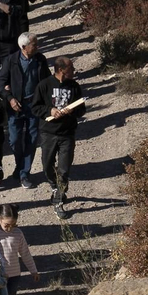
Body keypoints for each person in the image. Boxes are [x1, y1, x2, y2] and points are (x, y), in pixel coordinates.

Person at [34, 56, 87, 219]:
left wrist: (73, 112)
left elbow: (82, 109)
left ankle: (58, 201)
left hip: (67, 134)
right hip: (48, 133)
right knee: (47, 165)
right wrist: (50, 111)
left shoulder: (74, 86)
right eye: (71, 68)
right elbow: (35, 107)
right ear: (61, 70)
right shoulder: (44, 85)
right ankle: (54, 187)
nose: (74, 71)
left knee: (64, 169)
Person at [3, 32, 50, 188]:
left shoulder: (40, 60)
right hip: (15, 107)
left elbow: (46, 81)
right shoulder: (11, 61)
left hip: (33, 106)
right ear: (24, 47)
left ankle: (24, 173)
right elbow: (0, 84)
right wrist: (10, 98)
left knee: (31, 139)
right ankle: (20, 165)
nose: (37, 47)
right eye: (34, 45)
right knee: (15, 140)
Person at [0, 204, 40, 295]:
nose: (10, 228)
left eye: (13, 225)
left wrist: (33, 271)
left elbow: (25, 253)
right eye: (7, 225)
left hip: (14, 275)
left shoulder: (18, 233)